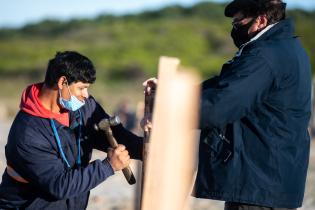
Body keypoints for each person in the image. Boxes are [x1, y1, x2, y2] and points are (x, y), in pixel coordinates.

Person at [194, 0, 312, 210]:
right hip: (275, 182)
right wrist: (173, 91)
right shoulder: (289, 49)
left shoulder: (264, 56)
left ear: (261, 20)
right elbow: (227, 83)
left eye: (238, 22)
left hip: (258, 186)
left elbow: (220, 105)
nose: (234, 28)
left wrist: (169, 110)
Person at [0, 51, 143, 210]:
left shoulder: (84, 107)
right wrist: (108, 166)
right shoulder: (27, 133)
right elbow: (59, 185)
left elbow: (117, 135)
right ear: (62, 82)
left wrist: (144, 149)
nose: (86, 95)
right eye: (81, 88)